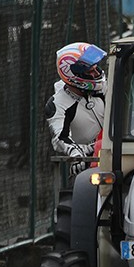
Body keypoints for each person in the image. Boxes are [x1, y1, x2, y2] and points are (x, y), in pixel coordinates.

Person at [46, 42, 108, 180]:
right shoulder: (58, 103)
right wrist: (77, 155)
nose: (97, 73)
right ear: (74, 75)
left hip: (115, 153)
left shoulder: (104, 88)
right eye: (90, 71)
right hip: (88, 164)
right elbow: (60, 139)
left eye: (96, 68)